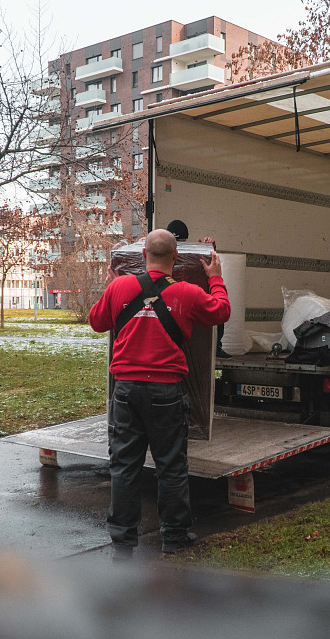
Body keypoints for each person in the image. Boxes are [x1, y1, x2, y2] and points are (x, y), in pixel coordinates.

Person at [89, 229, 230, 559]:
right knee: (171, 467)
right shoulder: (187, 292)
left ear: (142, 256)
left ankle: (123, 540)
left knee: (124, 466)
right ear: (176, 258)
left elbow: (97, 322)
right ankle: (174, 536)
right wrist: (216, 278)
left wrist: (110, 288)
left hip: (125, 391)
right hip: (166, 392)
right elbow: (221, 312)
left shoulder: (121, 287)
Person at [165, 219, 229, 359]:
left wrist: (207, 252)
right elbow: (222, 310)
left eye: (181, 242)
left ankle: (215, 346)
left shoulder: (190, 256)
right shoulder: (165, 255)